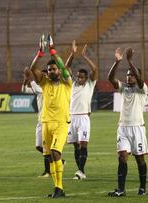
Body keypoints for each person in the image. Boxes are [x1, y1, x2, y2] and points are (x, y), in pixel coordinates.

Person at [30, 34, 72, 198]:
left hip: (61, 123)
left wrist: (53, 51)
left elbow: (63, 68)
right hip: (46, 123)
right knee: (49, 157)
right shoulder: (45, 83)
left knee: (55, 152)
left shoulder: (67, 83)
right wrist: (40, 53)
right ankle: (57, 188)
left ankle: (60, 187)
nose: (51, 71)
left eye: (54, 69)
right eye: (49, 70)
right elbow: (33, 69)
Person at [107, 48, 148, 197]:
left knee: (139, 159)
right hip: (123, 128)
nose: (129, 77)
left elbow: (141, 80)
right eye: (128, 75)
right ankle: (121, 189)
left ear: (137, 78)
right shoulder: (123, 88)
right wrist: (117, 62)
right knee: (122, 156)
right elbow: (110, 78)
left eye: (132, 75)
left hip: (137, 128)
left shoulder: (142, 89)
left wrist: (130, 61)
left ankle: (143, 187)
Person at [65, 40, 98, 180]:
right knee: (75, 146)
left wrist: (85, 57)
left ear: (86, 78)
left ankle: (80, 170)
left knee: (83, 144)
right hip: (71, 117)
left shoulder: (90, 84)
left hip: (84, 117)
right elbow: (66, 67)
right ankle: (81, 171)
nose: (79, 78)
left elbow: (95, 70)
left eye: (81, 77)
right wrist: (72, 54)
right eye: (77, 76)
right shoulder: (72, 84)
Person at [21, 67, 50, 178]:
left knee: (45, 147)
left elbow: (37, 90)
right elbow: (24, 90)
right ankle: (58, 160)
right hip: (40, 120)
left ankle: (47, 171)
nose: (40, 77)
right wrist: (26, 79)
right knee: (38, 146)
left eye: (42, 75)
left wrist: (30, 78)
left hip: (47, 120)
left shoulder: (47, 87)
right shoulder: (39, 87)